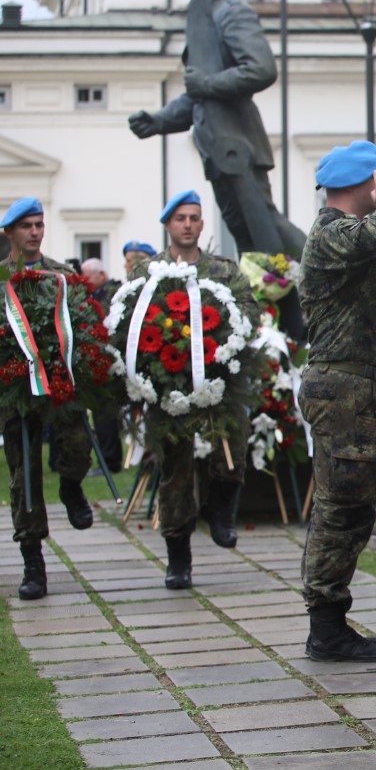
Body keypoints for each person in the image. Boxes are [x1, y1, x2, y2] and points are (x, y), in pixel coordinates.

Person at [127, 0, 306, 339]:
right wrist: (159, 120)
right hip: (218, 146)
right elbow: (199, 94)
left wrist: (207, 83)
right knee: (249, 238)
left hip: (237, 144)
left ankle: (312, 283)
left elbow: (260, 68)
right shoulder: (208, 12)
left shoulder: (231, 11)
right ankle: (271, 321)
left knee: (265, 231)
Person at [297, 140, 376, 662]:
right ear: (364, 182)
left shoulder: (342, 237)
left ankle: (329, 623)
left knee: (348, 509)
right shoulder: (331, 235)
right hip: (344, 389)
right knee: (340, 511)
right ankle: (326, 628)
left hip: (354, 388)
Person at [132, 191, 258, 589]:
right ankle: (178, 558)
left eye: (195, 218)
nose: (188, 224)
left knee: (234, 446)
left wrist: (222, 343)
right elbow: (131, 326)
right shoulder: (147, 271)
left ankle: (221, 509)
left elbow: (249, 313)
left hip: (218, 381)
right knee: (175, 472)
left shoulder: (224, 270)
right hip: (166, 385)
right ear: (168, 225)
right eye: (180, 218)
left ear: (203, 225)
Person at [1, 197, 95, 600]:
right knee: (24, 474)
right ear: (9, 233)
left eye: (39, 225)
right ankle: (33, 563)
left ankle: (71, 485)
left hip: (58, 382)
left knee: (77, 445)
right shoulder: (1, 277)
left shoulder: (62, 274)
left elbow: (85, 322)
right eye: (26, 226)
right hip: (14, 388)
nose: (35, 232)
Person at [78, 258, 125, 475]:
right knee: (100, 414)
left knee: (105, 414)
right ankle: (107, 460)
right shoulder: (92, 295)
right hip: (98, 363)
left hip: (110, 364)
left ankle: (109, 461)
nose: (84, 279)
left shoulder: (112, 294)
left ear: (101, 275)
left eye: (88, 274)